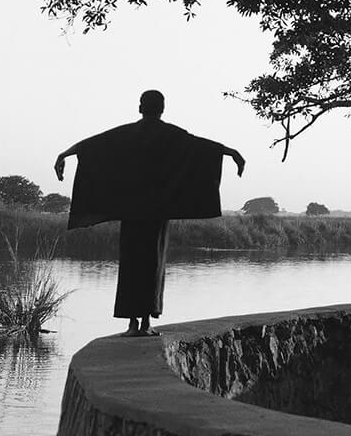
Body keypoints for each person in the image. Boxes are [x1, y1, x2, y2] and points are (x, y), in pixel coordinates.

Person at [54, 89, 244, 336]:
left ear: (140, 107)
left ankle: (133, 324)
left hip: (132, 212)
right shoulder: (171, 135)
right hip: (155, 212)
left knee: (131, 266)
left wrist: (64, 154)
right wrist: (232, 153)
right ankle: (144, 323)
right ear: (162, 108)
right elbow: (202, 147)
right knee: (152, 265)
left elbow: (93, 144)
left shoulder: (127, 134)